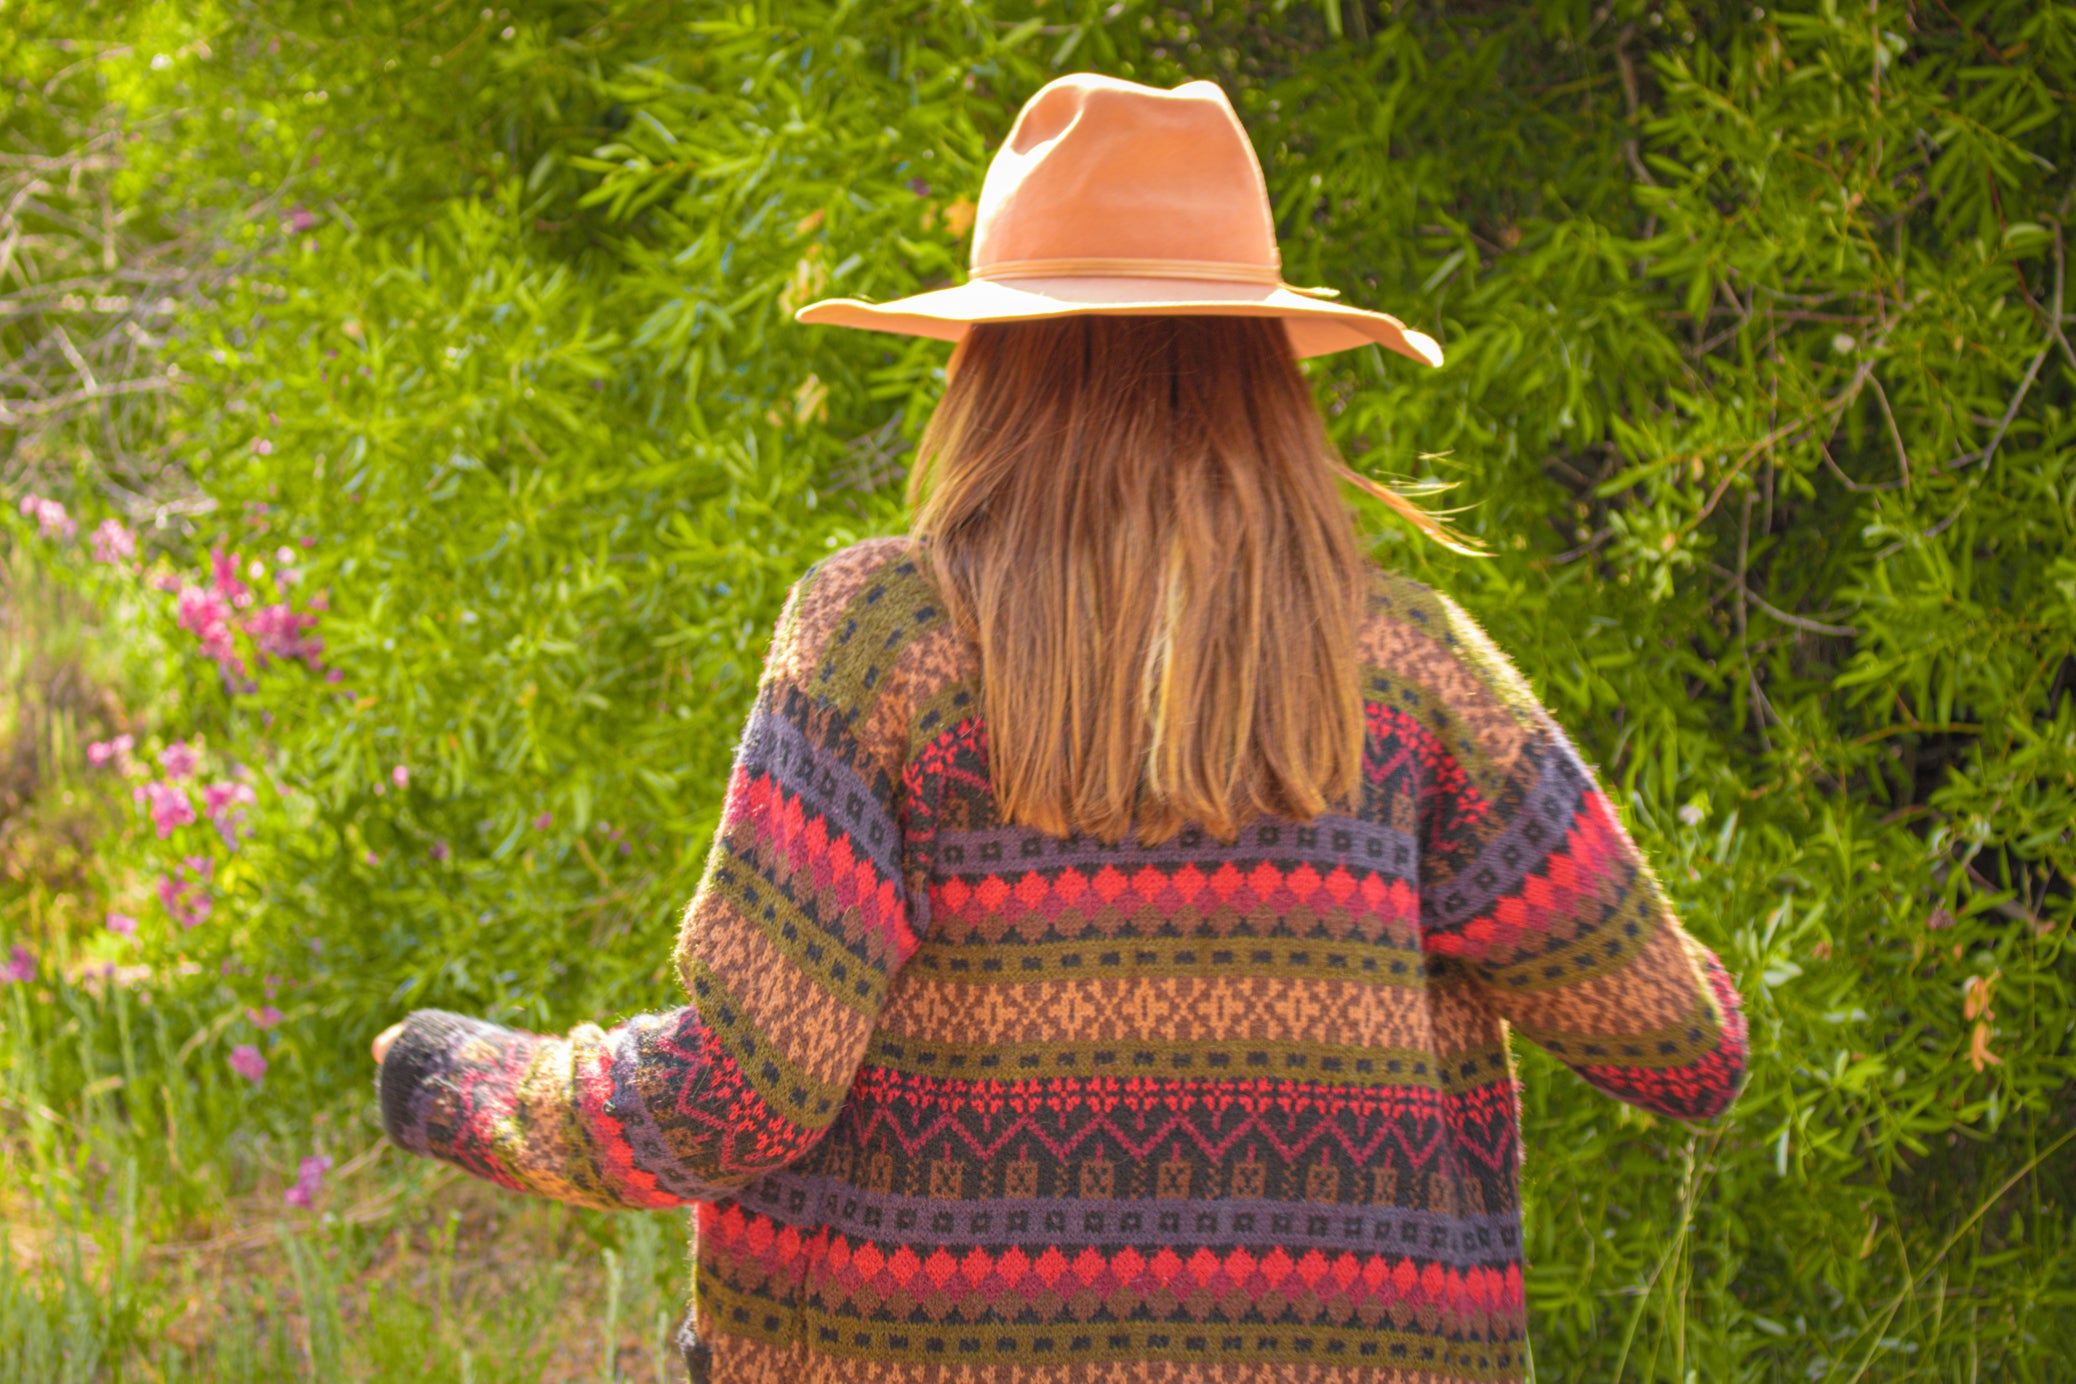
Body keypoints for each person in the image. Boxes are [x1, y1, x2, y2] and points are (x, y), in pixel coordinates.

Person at [373, 72, 1748, 1384]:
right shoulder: (1409, 670)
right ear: (1271, 368)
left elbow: (742, 1090)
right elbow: (1683, 1048)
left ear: (991, 365)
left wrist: (472, 1086)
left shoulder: (881, 642)